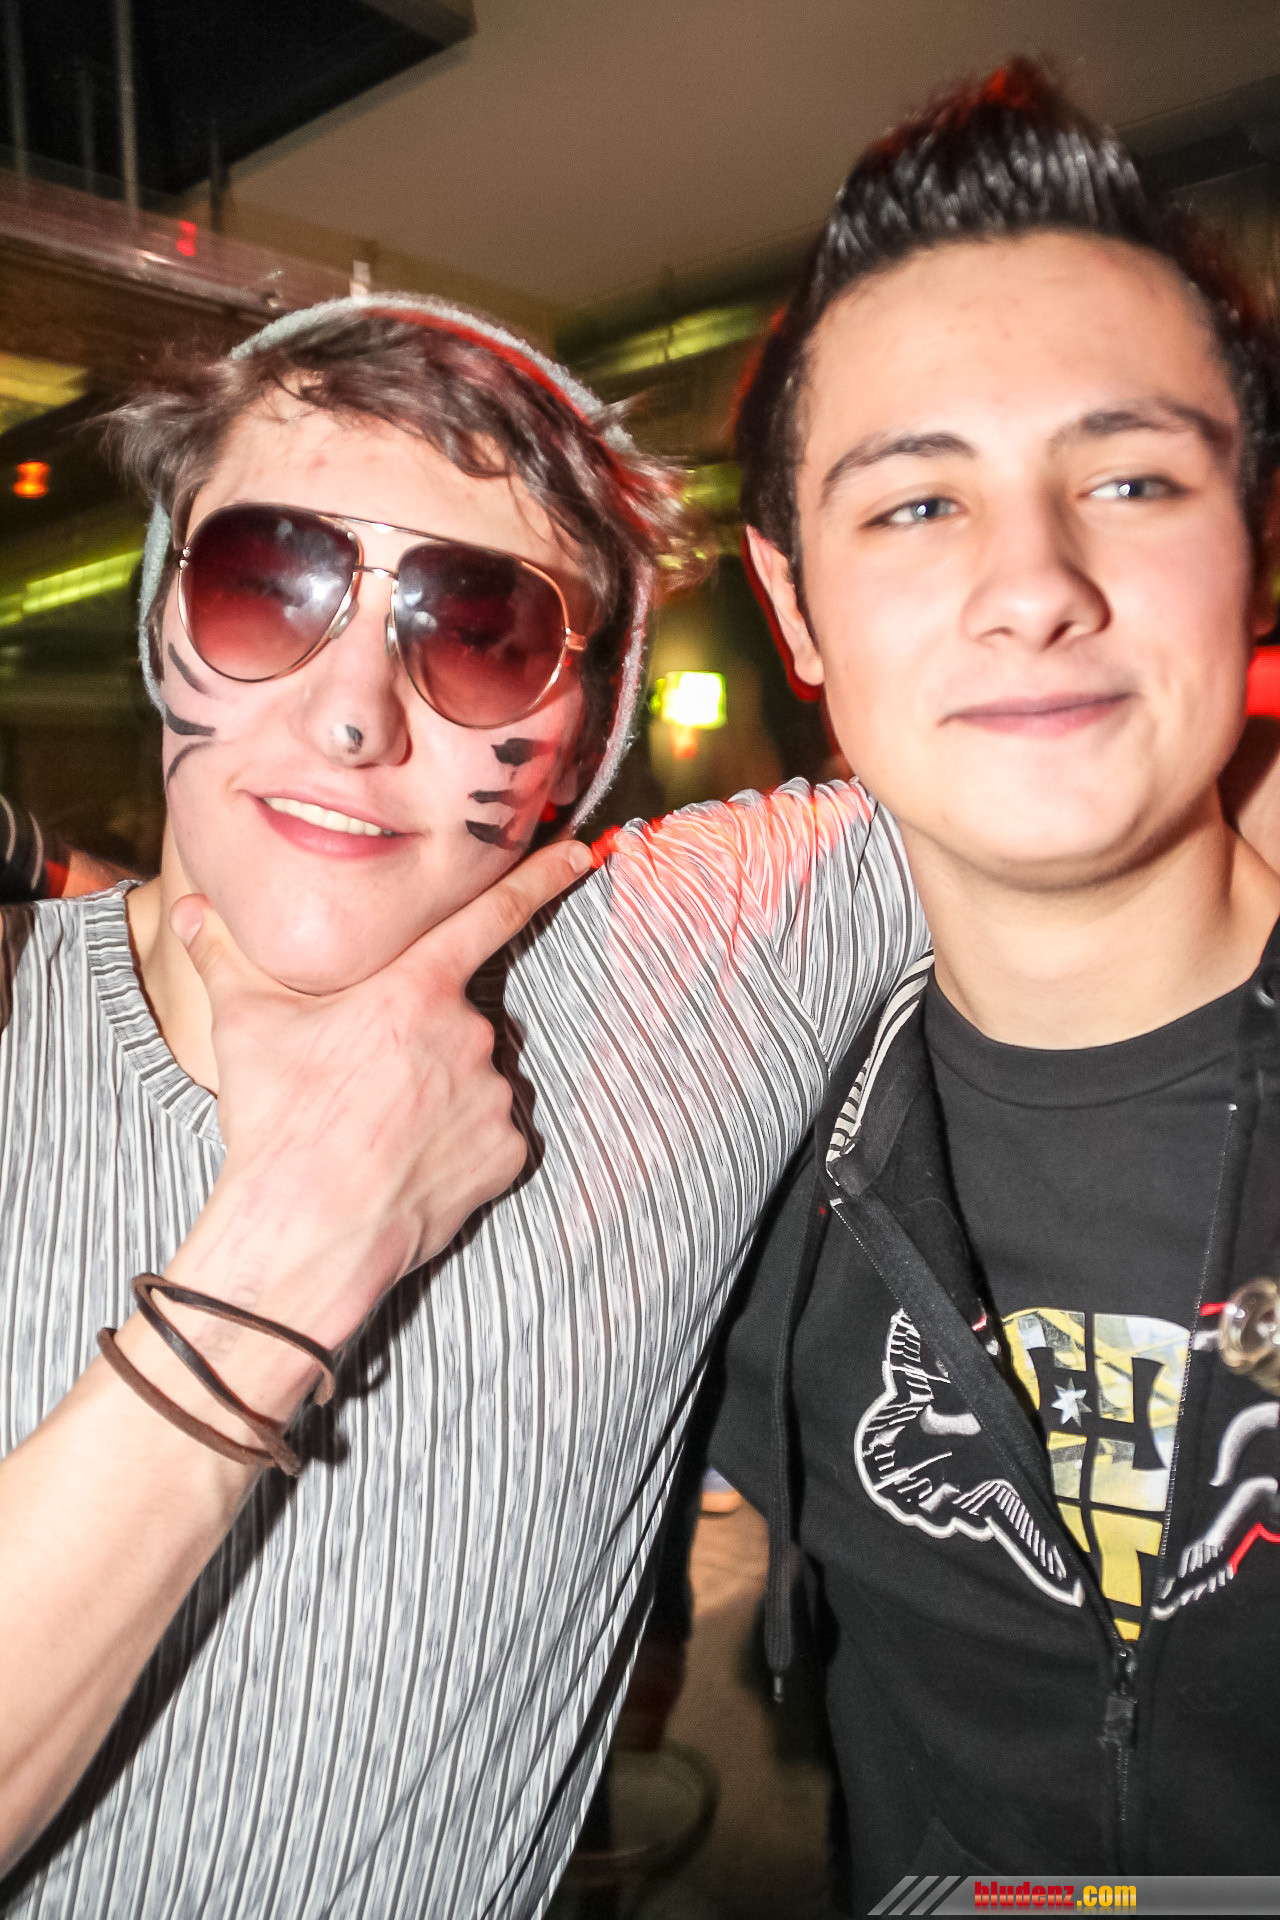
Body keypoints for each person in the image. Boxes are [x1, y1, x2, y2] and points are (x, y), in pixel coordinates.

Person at [0, 296, 926, 1917]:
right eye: (266, 584)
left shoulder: (693, 972)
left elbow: (1147, 760)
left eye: (482, 629)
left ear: (581, 739)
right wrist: (298, 1242)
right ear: (160, 621)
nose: (353, 711)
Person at [709, 61, 1280, 1907]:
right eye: (914, 506)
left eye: (1130, 479)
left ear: (1259, 548)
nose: (1035, 585)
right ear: (793, 609)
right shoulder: (723, 1163)